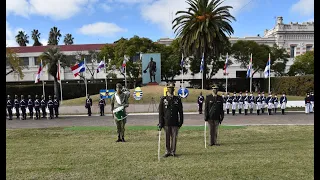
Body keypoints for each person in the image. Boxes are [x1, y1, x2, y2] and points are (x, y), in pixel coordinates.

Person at [158, 82, 183, 157]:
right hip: (166, 122)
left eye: (172, 88)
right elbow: (161, 112)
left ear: (173, 89)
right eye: (169, 88)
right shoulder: (163, 99)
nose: (170, 89)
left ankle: (173, 151)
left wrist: (180, 122)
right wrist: (160, 122)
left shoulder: (177, 99)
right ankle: (167, 151)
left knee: (174, 137)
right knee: (167, 137)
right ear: (167, 89)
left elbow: (180, 112)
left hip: (175, 122)